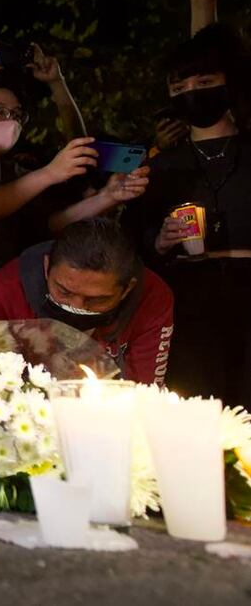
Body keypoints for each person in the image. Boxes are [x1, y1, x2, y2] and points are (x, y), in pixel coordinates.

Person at [0, 71, 149, 318]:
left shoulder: (13, 173)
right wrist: (51, 172)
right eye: (0, 111)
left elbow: (50, 224)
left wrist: (108, 196)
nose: (11, 121)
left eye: (17, 114)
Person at [133, 23, 251, 406]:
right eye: (179, 88)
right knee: (200, 407)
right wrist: (160, 240)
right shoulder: (162, 167)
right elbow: (136, 240)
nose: (192, 94)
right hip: (191, 303)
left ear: (227, 83)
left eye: (204, 82)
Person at [0, 217, 174, 386]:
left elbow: (144, 390)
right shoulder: (6, 290)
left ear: (127, 289)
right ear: (47, 268)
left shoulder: (152, 297)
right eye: (64, 291)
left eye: (97, 299)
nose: (76, 307)